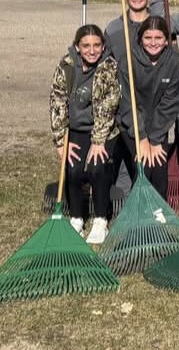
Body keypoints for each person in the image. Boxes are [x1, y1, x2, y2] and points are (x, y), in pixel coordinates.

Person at [50, 24, 120, 244]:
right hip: (75, 130)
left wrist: (98, 141)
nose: (92, 50)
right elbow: (57, 101)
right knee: (73, 170)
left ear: (103, 46)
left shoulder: (109, 66)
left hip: (103, 130)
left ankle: (100, 219)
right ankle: (77, 218)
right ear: (77, 47)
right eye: (86, 45)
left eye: (97, 45)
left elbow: (108, 107)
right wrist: (61, 141)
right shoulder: (67, 66)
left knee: (97, 167)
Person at [116, 16, 179, 199]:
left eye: (158, 38)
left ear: (166, 39)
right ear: (140, 38)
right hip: (132, 123)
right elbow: (126, 103)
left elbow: (169, 103)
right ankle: (139, 211)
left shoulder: (175, 62)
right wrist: (142, 138)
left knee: (159, 166)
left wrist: (154, 139)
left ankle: (158, 213)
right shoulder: (127, 61)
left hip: (158, 125)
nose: (153, 43)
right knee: (143, 162)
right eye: (148, 38)